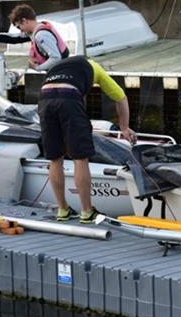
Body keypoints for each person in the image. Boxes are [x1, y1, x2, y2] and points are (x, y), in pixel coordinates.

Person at [39, 55, 136, 223]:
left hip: (44, 98)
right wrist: (124, 127)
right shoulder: (94, 67)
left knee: (55, 158)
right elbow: (121, 98)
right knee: (80, 157)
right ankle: (86, 211)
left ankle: (62, 210)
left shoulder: (60, 67)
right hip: (68, 97)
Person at [0, 4, 69, 72]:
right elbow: (14, 38)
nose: (20, 31)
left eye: (19, 27)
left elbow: (56, 58)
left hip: (61, 71)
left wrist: (37, 68)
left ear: (24, 21)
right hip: (58, 70)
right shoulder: (36, 29)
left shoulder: (41, 35)